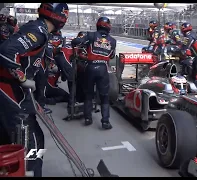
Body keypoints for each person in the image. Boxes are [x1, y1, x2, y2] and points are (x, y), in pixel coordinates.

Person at [0, 3, 69, 176]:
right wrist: (22, 78)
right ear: (60, 16)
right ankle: (30, 172)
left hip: (10, 90)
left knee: (8, 139)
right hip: (11, 91)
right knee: (34, 141)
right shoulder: (38, 30)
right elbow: (7, 51)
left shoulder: (38, 29)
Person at [71, 17, 116, 130]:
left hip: (90, 67)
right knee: (104, 96)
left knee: (89, 95)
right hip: (103, 68)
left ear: (98, 25)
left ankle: (88, 118)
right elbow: (112, 56)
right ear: (108, 27)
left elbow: (75, 42)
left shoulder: (91, 35)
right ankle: (105, 122)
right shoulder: (113, 41)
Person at [180, 22, 197, 89]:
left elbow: (184, 47)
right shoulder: (192, 34)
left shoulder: (189, 36)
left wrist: (180, 50)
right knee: (194, 72)